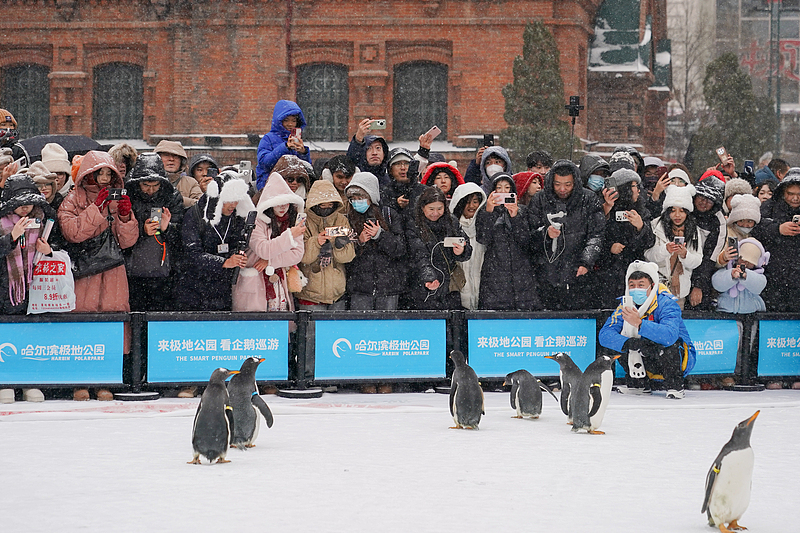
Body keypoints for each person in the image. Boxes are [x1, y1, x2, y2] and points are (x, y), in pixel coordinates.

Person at [58, 150, 138, 401]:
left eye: (108, 173)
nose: (103, 178)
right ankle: (79, 381)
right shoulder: (72, 199)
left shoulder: (116, 198)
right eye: (98, 173)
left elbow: (127, 242)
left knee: (113, 321)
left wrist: (125, 216)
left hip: (113, 270)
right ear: (87, 174)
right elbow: (72, 232)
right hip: (85, 271)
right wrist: (97, 208)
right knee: (82, 321)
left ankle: (107, 379)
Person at [598, 260, 696, 399]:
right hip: (644, 354)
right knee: (618, 343)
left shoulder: (667, 303)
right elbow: (605, 335)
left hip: (672, 355)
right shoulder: (624, 306)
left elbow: (670, 335)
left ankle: (675, 386)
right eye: (632, 285)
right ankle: (638, 384)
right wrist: (629, 343)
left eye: (641, 285)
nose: (635, 289)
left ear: (652, 286)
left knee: (671, 346)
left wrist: (639, 324)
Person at [0, 174, 57, 404]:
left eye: (29, 203)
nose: (25, 208)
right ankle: (5, 383)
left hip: (35, 291)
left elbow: (61, 252)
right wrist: (10, 239)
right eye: (19, 203)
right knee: (6, 338)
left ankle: (28, 382)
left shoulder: (43, 220)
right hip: (5, 289)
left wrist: (49, 250)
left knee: (30, 337)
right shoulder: (2, 222)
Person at [525, 160, 605, 311]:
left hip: (578, 275)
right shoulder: (539, 200)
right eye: (557, 184)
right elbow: (528, 236)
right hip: (544, 277)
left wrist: (586, 262)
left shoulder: (589, 199)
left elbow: (596, 234)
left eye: (568, 184)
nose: (562, 189)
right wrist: (545, 235)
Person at [177, 170, 255, 311]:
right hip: (193, 288)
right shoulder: (195, 215)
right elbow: (191, 253)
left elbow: (236, 243)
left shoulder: (236, 218)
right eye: (228, 200)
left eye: (236, 199)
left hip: (222, 289)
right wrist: (224, 262)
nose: (233, 204)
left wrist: (237, 257)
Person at [231, 173, 305, 312]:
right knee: (254, 327)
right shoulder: (256, 221)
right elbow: (263, 249)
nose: (283, 207)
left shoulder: (293, 221)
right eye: (278, 203)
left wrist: (270, 261)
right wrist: (289, 235)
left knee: (281, 326)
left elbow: (297, 254)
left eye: (286, 202)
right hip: (255, 282)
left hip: (279, 284)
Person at [124, 153, 185, 312]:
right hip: (132, 270)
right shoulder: (128, 196)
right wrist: (141, 231)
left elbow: (182, 237)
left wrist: (167, 228)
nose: (150, 190)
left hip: (165, 271)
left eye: (155, 185)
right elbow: (118, 232)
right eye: (145, 185)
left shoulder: (172, 196)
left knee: (160, 316)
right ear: (137, 183)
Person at [476, 172, 540, 311]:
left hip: (522, 274)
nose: (503, 191)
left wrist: (515, 217)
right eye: (499, 188)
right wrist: (489, 212)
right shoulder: (485, 211)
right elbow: (483, 238)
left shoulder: (522, 211)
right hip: (495, 274)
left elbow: (526, 241)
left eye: (507, 188)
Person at [594, 168, 655, 309]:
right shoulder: (604, 207)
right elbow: (593, 236)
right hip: (607, 276)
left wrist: (641, 227)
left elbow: (650, 242)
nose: (638, 190)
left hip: (634, 275)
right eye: (634, 186)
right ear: (625, 188)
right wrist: (609, 247)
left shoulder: (641, 209)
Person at [345, 172, 407, 310]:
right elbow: (344, 254)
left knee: (386, 328)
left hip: (388, 287)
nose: (356, 201)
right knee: (361, 329)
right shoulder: (348, 218)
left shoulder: (389, 215)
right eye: (353, 198)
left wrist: (380, 236)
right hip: (359, 287)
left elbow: (400, 248)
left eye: (360, 197)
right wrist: (359, 241)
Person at [405, 187, 472, 310]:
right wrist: (428, 277)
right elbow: (419, 255)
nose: (435, 213)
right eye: (431, 209)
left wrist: (462, 251)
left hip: (450, 287)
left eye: (439, 209)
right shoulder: (413, 225)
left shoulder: (452, 221)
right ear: (422, 207)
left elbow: (465, 244)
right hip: (423, 287)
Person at [295, 179, 355, 310]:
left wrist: (339, 245)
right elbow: (301, 257)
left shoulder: (341, 220)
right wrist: (316, 242)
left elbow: (348, 257)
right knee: (311, 331)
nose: (327, 209)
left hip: (337, 292)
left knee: (337, 330)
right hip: (310, 293)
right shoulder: (303, 220)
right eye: (323, 206)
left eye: (330, 205)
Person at [644, 184, 704, 309]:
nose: (677, 215)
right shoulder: (655, 226)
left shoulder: (694, 230)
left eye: (682, 210)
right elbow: (648, 255)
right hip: (656, 290)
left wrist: (684, 255)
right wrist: (665, 250)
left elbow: (697, 261)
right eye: (673, 210)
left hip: (680, 293)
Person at [751, 168, 800, 312]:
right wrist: (778, 229)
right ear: (783, 192)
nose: (795, 198)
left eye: (799, 194)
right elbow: (755, 228)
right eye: (791, 194)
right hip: (773, 277)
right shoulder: (769, 207)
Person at [687, 176, 727, 310]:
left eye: (710, 200)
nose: (704, 202)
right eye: (701, 197)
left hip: (701, 272)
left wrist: (698, 285)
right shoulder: (685, 208)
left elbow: (711, 257)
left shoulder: (718, 221)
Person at [256, 100, 312, 189]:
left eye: (293, 121)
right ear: (279, 121)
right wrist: (285, 147)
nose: (290, 124)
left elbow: (306, 168)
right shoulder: (268, 138)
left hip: (294, 186)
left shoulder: (296, 139)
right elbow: (265, 163)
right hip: (270, 186)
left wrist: (303, 153)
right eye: (286, 120)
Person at [449, 182, 486, 310]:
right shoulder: (451, 227)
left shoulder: (485, 227)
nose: (471, 206)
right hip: (457, 290)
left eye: (475, 201)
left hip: (483, 288)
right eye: (467, 202)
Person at [712, 238, 769, 314]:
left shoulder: (759, 276)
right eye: (742, 259)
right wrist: (731, 275)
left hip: (752, 314)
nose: (745, 263)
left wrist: (747, 276)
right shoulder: (726, 270)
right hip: (725, 311)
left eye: (750, 261)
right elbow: (717, 284)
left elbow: (759, 286)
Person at [380, 147, 428, 219]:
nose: (403, 167)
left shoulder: (425, 191)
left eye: (406, 163)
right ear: (390, 169)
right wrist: (396, 204)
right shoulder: (383, 193)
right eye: (397, 164)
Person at [154, 140, 202, 207]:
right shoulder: (148, 181)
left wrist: (177, 199)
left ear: (181, 161)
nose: (171, 159)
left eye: (176, 156)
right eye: (166, 155)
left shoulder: (190, 183)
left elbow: (200, 205)